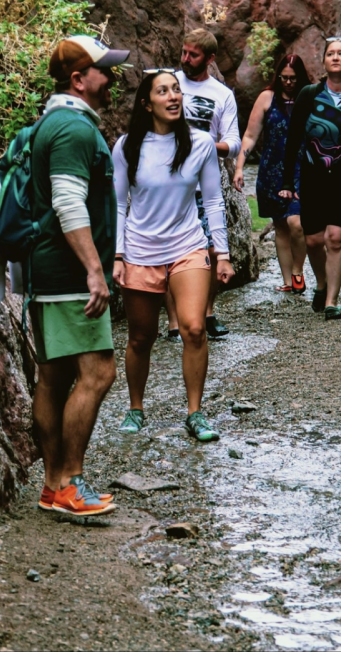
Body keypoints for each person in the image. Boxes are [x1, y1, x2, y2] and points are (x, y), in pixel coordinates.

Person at [30, 35, 129, 516]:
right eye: (104, 71)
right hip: (69, 275)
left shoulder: (55, 123)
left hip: (47, 272)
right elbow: (68, 202)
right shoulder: (73, 129)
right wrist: (95, 270)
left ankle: (52, 486)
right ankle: (69, 482)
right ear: (79, 79)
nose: (111, 79)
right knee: (98, 373)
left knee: (52, 377)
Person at [112, 70, 235, 441]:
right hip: (140, 249)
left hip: (188, 245)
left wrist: (223, 252)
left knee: (194, 328)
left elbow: (212, 199)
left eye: (177, 90)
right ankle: (136, 408)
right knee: (140, 337)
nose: (174, 97)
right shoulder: (126, 146)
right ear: (147, 103)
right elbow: (118, 204)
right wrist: (117, 255)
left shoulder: (199, 143)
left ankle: (195, 413)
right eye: (163, 91)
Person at [279, 37, 341, 320]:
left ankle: (332, 300)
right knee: (313, 240)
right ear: (323, 61)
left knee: (335, 238)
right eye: (330, 53)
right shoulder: (309, 95)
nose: (335, 57)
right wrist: (287, 182)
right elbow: (294, 138)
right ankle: (321, 283)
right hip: (313, 177)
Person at [165, 28, 241, 341]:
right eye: (184, 52)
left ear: (209, 59)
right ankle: (173, 320)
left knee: (209, 248)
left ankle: (207, 311)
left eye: (193, 55)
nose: (185, 59)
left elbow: (233, 142)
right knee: (166, 249)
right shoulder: (169, 83)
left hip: (202, 181)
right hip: (167, 179)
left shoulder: (222, 94)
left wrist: (208, 146)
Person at [233, 54, 310, 293]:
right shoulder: (267, 98)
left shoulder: (308, 97)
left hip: (301, 170)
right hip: (271, 170)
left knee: (296, 222)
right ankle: (288, 281)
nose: (288, 82)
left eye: (293, 78)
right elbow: (250, 135)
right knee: (280, 226)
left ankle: (298, 271)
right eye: (284, 78)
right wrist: (239, 167)